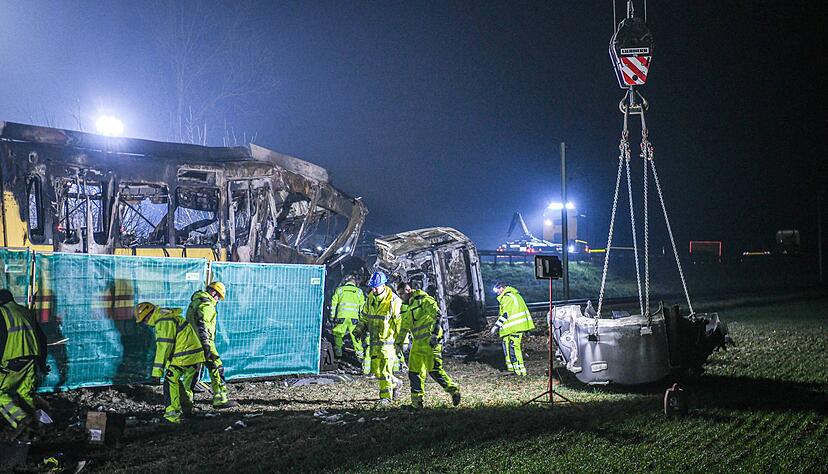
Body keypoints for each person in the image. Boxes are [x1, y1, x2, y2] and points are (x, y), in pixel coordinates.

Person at [135, 302, 205, 424]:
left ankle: (173, 416)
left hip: (183, 356)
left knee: (170, 382)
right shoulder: (167, 317)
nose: (145, 323)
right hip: (194, 355)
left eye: (144, 320)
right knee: (184, 385)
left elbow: (164, 347)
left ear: (148, 316)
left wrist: (157, 372)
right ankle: (186, 410)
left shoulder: (163, 321)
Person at [396, 282, 460, 409]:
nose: (400, 297)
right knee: (414, 373)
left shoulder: (424, 300)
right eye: (399, 294)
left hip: (431, 342)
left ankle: (454, 391)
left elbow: (438, 315)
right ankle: (416, 403)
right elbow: (404, 326)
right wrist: (399, 341)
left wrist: (435, 335)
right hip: (417, 344)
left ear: (408, 290)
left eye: (402, 293)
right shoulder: (404, 307)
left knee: (435, 371)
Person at [0, 289, 47, 438]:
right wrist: (42, 363)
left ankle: (21, 420)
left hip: (11, 363)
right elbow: (42, 338)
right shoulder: (25, 311)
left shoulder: (2, 313)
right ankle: (36, 426)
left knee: (1, 394)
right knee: (25, 393)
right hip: (31, 361)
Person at [186, 281, 238, 408]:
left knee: (191, 373)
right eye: (218, 296)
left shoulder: (195, 302)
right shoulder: (207, 305)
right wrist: (206, 345)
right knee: (216, 368)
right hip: (205, 343)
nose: (218, 300)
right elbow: (204, 326)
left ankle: (185, 401)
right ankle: (220, 398)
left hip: (191, 343)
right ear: (213, 292)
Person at [359, 271, 402, 405]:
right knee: (377, 372)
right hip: (374, 342)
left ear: (384, 285)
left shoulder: (393, 301)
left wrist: (403, 340)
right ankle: (397, 383)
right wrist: (359, 329)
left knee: (384, 371)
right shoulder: (371, 298)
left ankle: (386, 398)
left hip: (388, 343)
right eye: (372, 286)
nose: (373, 289)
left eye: (376, 286)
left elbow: (400, 322)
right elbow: (365, 317)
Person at [491, 282, 535, 376]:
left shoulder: (507, 297)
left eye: (497, 290)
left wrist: (496, 326)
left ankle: (520, 372)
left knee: (513, 348)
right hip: (513, 327)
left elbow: (505, 314)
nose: (496, 292)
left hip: (514, 327)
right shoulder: (514, 295)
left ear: (502, 288)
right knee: (507, 346)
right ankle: (511, 369)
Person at [330, 274, 369, 374]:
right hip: (354, 319)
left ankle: (338, 352)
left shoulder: (339, 290)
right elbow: (362, 307)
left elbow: (333, 304)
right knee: (356, 337)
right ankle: (360, 356)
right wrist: (362, 320)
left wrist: (332, 317)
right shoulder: (359, 292)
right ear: (355, 283)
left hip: (341, 317)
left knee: (338, 333)